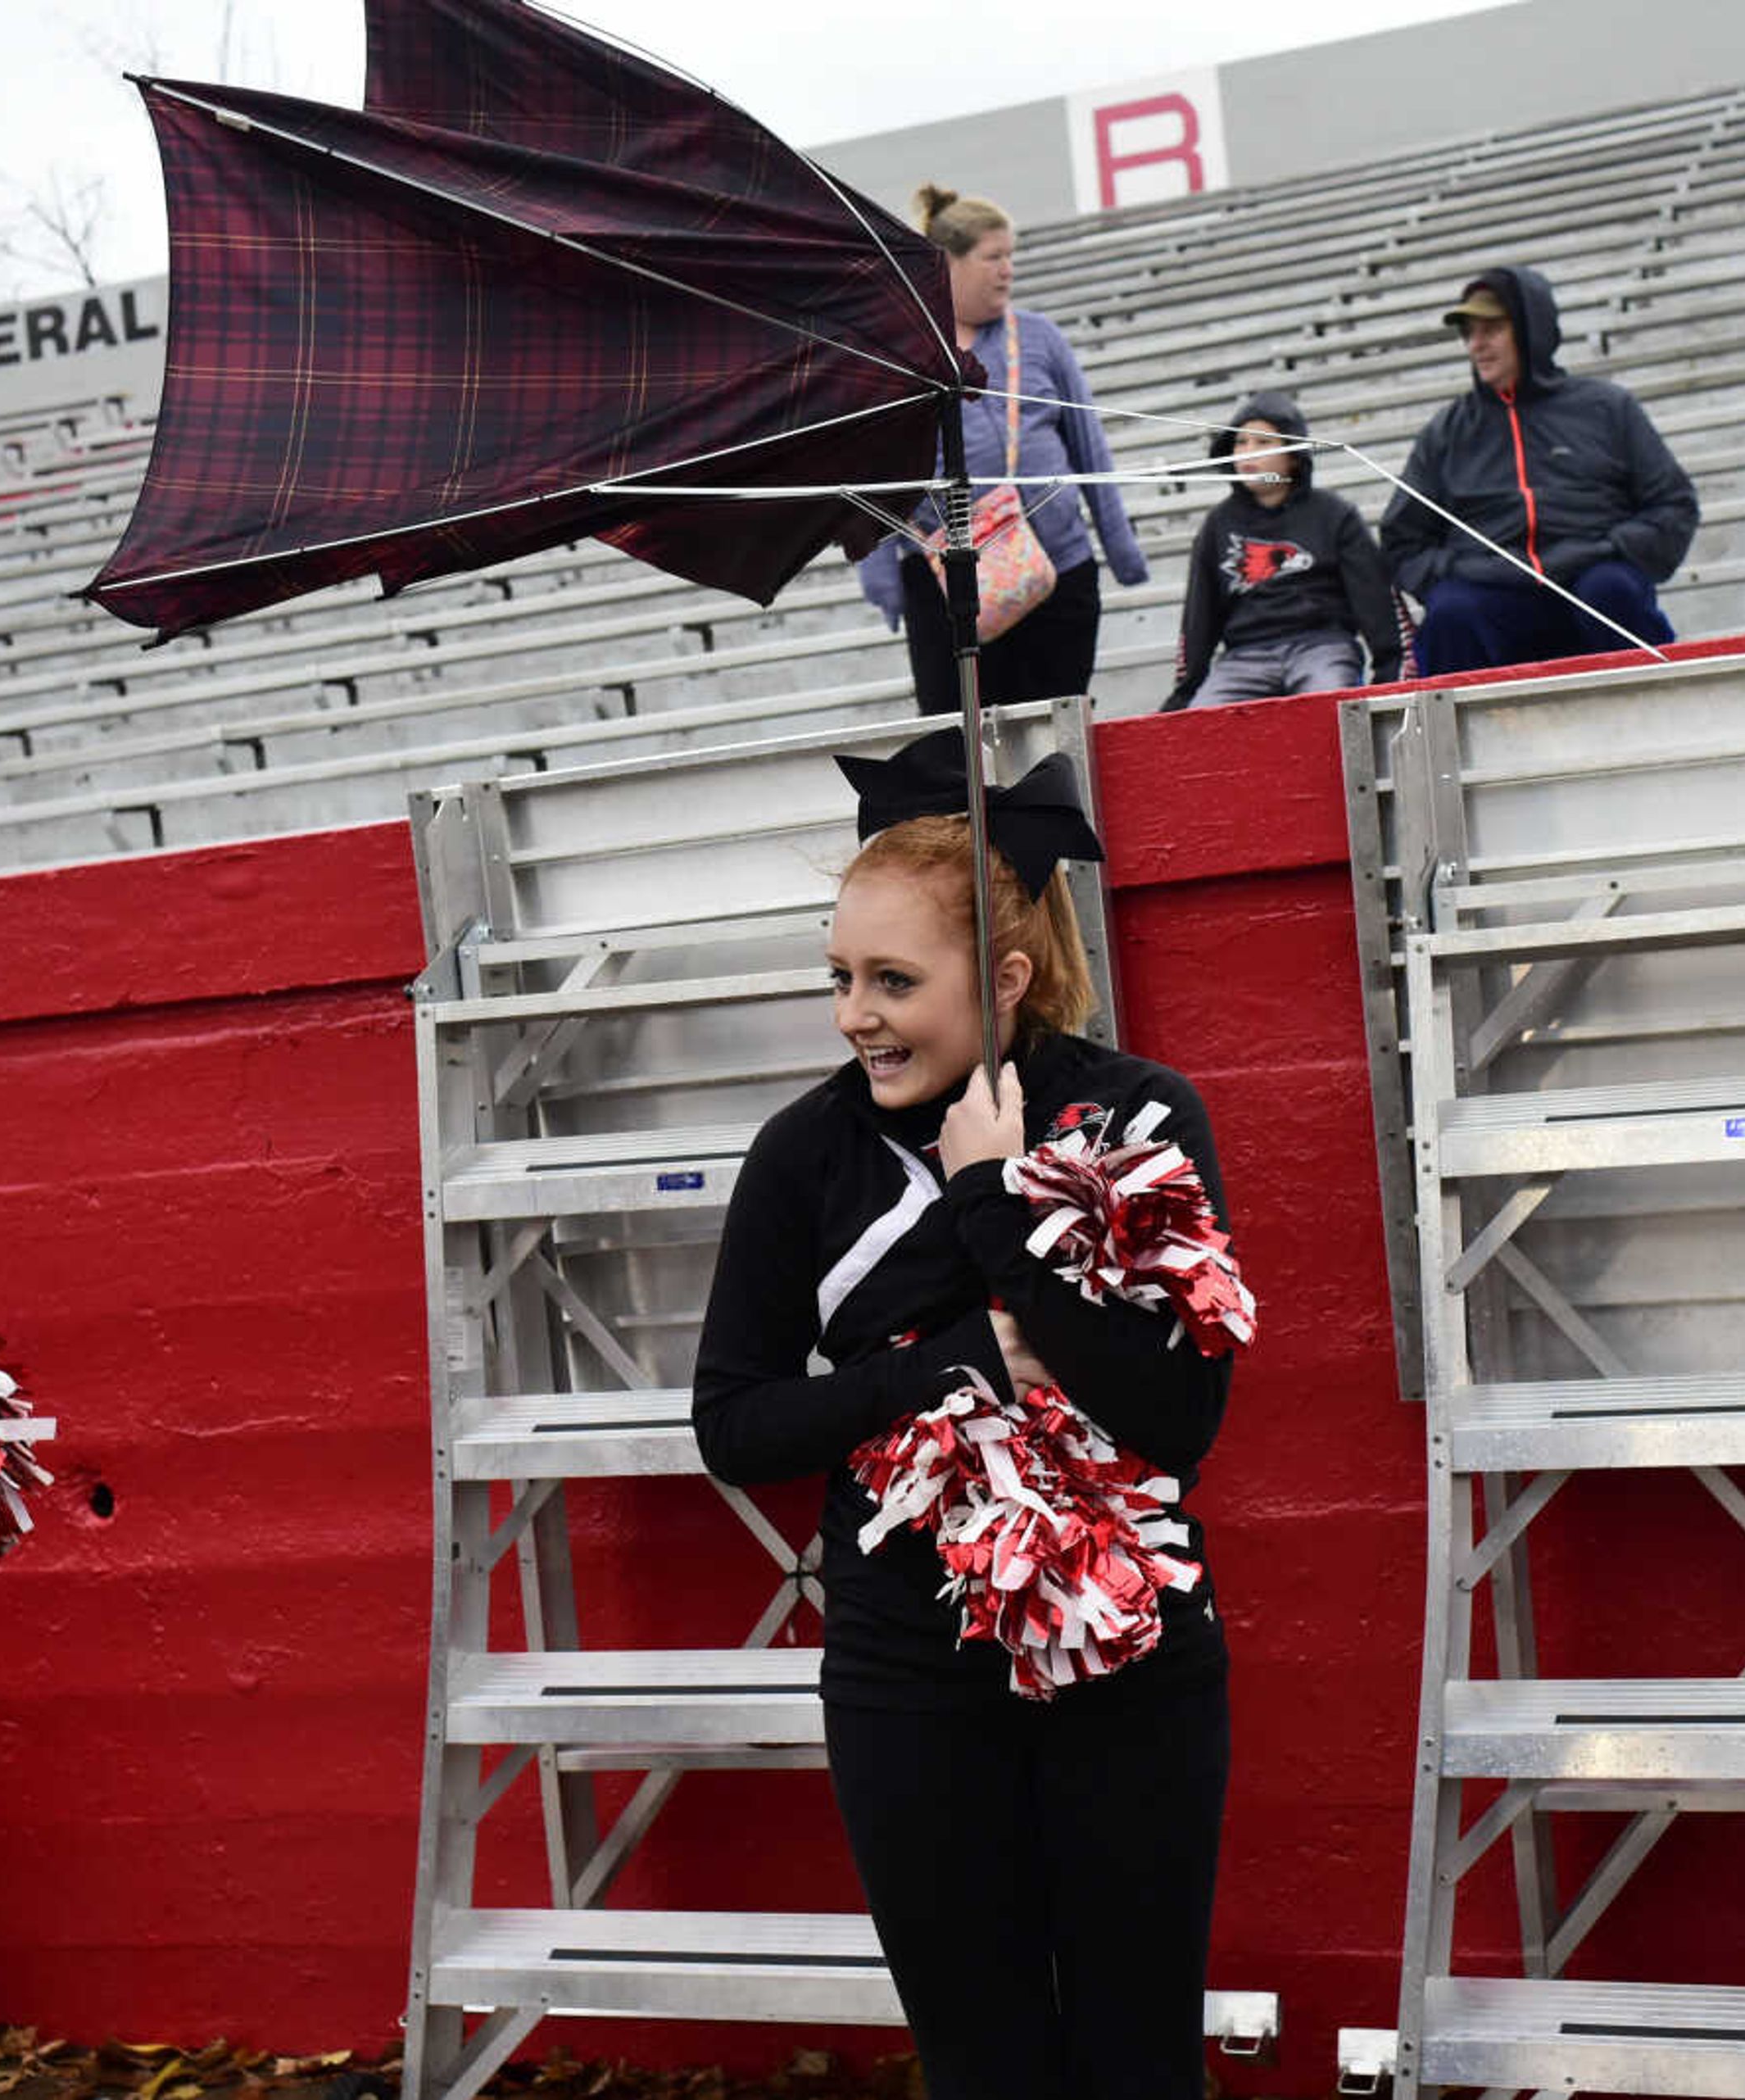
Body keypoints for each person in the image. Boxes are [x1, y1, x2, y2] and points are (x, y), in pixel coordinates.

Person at [691, 730, 1235, 2099]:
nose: (852, 1015)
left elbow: (1175, 1414)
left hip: (1132, 1671)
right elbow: (736, 1422)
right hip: (906, 1676)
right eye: (839, 979)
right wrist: (941, 1365)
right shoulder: (803, 1153)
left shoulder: (1139, 1114)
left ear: (1002, 977)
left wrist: (992, 1198)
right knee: (985, 2065)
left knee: (1137, 2063)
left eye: (891, 980)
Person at [857, 186, 1150, 715]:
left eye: (1010, 256)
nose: (1007, 269)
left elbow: (1089, 448)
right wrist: (879, 576)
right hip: (948, 583)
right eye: (993, 257)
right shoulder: (900, 353)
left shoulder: (1040, 337)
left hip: (1056, 569)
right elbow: (872, 466)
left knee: (1057, 734)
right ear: (947, 263)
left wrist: (1121, 549)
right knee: (961, 743)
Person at [1379, 264, 1697, 675]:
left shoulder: (1606, 408)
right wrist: (1455, 571)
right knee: (1452, 612)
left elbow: (1673, 505)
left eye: (1491, 329)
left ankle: (1654, 720)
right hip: (1493, 592)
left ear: (1530, 330)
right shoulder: (1447, 432)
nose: (1477, 344)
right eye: (1469, 332)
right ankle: (1451, 740)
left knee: (1612, 590)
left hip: (1590, 578)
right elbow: (1403, 540)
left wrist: (1613, 548)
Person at [1163, 390, 1402, 710]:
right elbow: (1199, 613)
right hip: (1244, 657)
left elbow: (1373, 598)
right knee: (1203, 723)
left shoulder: (1335, 515)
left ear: (1293, 454)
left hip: (1322, 648)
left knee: (1327, 708)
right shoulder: (1217, 525)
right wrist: (1187, 688)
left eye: (1263, 442)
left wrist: (1388, 670)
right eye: (1240, 443)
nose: (1248, 453)